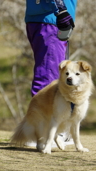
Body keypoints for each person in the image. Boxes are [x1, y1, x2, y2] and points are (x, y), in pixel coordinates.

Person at [25, 0, 77, 146]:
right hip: (52, 17)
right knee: (48, 77)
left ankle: (53, 131)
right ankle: (42, 134)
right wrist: (60, 7)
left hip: (48, 18)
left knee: (56, 76)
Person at [25, 0, 77, 97]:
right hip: (51, 18)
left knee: (56, 81)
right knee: (49, 83)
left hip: (48, 18)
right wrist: (61, 9)